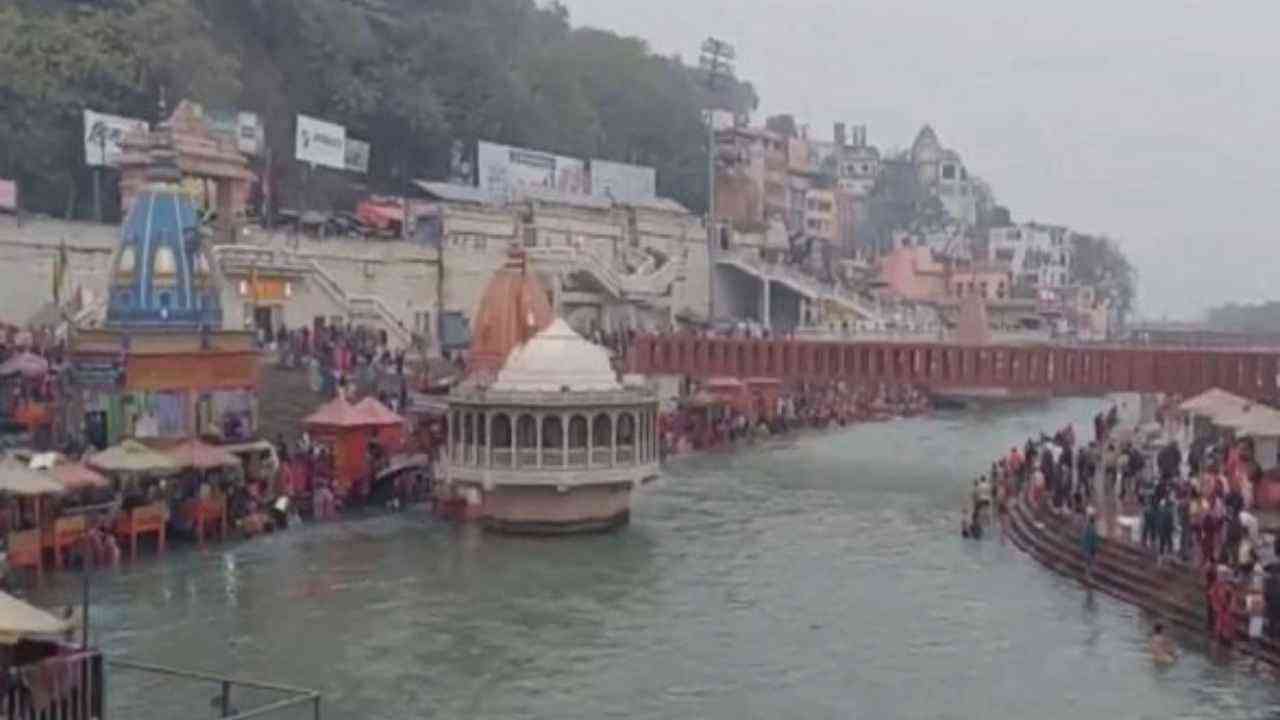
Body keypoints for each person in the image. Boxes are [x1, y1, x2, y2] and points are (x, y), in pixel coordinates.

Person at [1081, 513, 1101, 580]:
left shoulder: (1086, 529)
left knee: (1087, 563)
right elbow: (1095, 541)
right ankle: (1089, 576)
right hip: (1090, 550)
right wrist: (1096, 550)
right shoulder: (1093, 530)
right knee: (1090, 563)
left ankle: (1086, 575)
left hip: (1086, 549)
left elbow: (1083, 539)